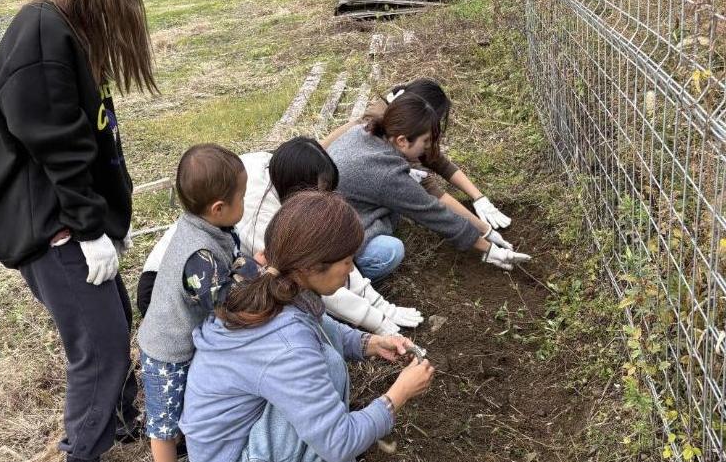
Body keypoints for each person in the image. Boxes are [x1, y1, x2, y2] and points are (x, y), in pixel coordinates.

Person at [0, 0, 156, 462]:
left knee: (115, 317)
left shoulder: (67, 30)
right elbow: (57, 146)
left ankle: (128, 417)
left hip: (78, 220)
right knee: (99, 343)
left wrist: (110, 218)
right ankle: (82, 459)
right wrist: (87, 230)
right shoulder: (41, 35)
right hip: (51, 226)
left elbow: (93, 136)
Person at [179, 190, 435, 462]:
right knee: (327, 365)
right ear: (313, 267)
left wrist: (367, 343)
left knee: (323, 359)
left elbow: (319, 323)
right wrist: (397, 395)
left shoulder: (273, 283)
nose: (351, 269)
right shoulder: (288, 345)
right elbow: (339, 441)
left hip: (227, 445)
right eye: (346, 262)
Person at [137, 138, 424, 335]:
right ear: (297, 190)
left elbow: (334, 255)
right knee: (280, 311)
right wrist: (376, 322)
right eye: (318, 194)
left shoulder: (279, 166)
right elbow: (315, 279)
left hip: (220, 276)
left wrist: (381, 305)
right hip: (169, 290)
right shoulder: (254, 212)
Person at [137, 144, 254, 462]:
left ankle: (181, 449)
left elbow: (235, 261)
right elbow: (223, 304)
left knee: (183, 405)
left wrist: (251, 267)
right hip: (167, 351)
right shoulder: (199, 258)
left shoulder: (208, 227)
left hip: (182, 340)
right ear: (219, 208)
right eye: (242, 198)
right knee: (164, 419)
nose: (244, 205)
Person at [326, 93, 531, 280]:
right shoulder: (386, 174)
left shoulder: (365, 131)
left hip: (332, 211)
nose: (427, 147)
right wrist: (489, 249)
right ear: (402, 141)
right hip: (331, 241)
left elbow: (435, 174)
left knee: (396, 211)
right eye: (425, 141)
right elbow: (434, 213)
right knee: (389, 252)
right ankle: (347, 279)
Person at [322, 78, 513, 229]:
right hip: (330, 197)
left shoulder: (400, 117)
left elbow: (436, 160)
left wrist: (479, 198)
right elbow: (430, 194)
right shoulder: (383, 135)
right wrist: (481, 229)